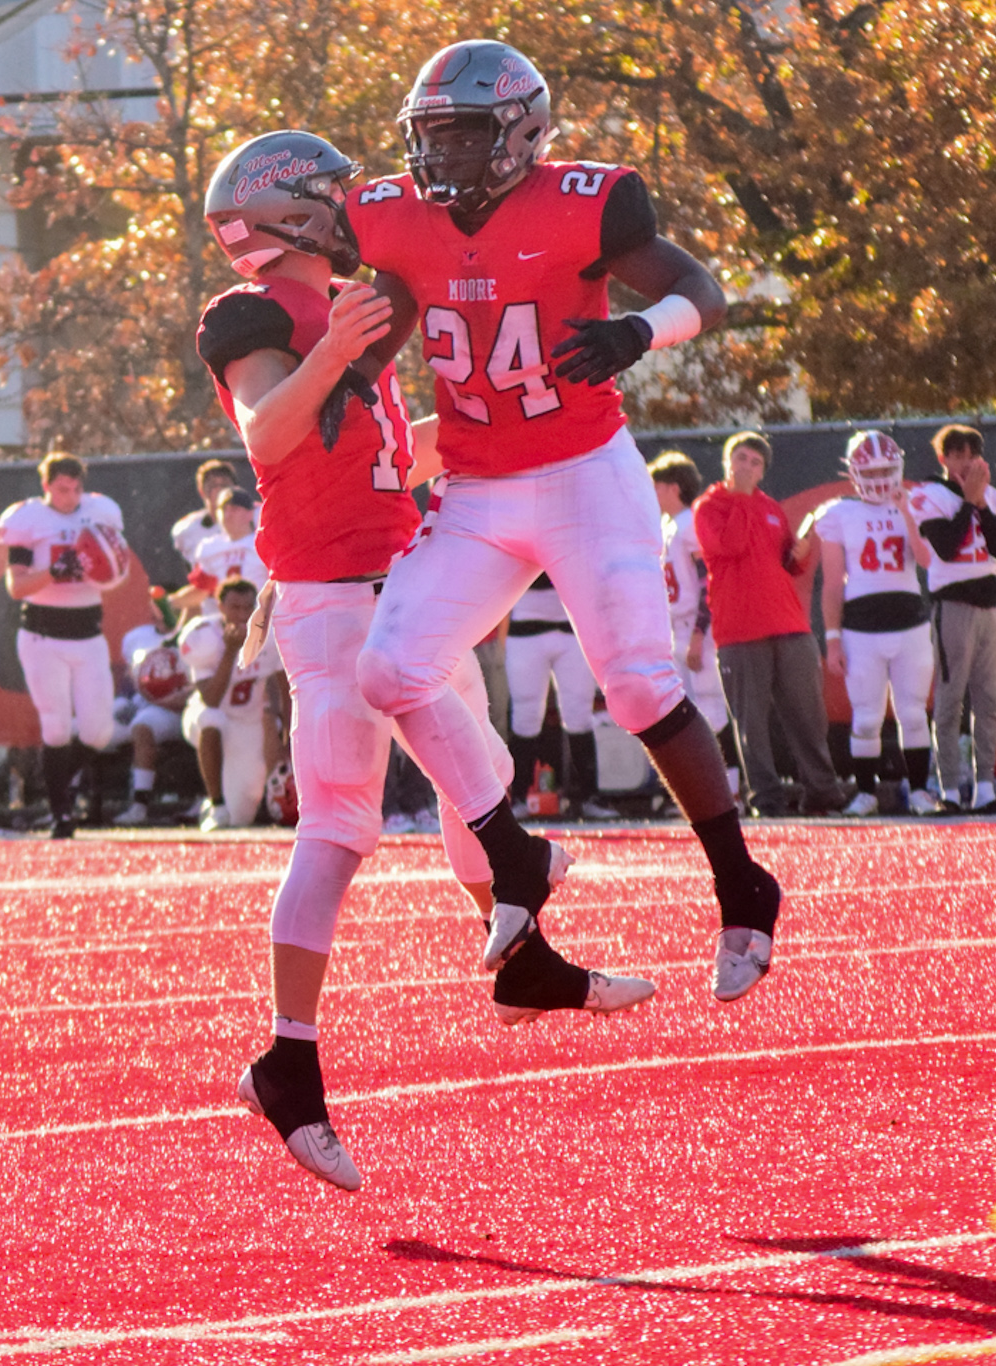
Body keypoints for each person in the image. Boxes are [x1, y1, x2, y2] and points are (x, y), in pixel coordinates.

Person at [198, 130, 643, 1191]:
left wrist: (518, 402)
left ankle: (512, 956)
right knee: (345, 826)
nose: (353, 208)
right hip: (334, 598)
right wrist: (335, 351)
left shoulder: (352, 308)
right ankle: (292, 1058)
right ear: (291, 211)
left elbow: (395, 451)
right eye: (335, 195)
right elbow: (265, 433)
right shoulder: (257, 314)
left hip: (390, 585)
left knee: (458, 775)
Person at [344, 42, 784, 1004]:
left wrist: (637, 331)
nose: (442, 154)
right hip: (476, 486)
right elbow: (387, 308)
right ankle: (515, 854)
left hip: (585, 472)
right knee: (388, 670)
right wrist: (330, 381)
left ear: (523, 132)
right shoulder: (392, 213)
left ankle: (741, 882)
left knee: (636, 686)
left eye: (464, 133)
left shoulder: (585, 201)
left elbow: (702, 291)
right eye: (430, 134)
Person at [695, 432, 845, 818]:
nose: (747, 467)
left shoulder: (771, 508)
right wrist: (742, 498)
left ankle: (823, 793)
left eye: (755, 463)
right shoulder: (708, 507)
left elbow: (787, 564)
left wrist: (800, 553)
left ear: (763, 472)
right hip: (739, 631)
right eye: (741, 459)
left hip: (790, 625)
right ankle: (767, 800)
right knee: (752, 725)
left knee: (809, 717)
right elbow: (729, 546)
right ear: (727, 462)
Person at [0, 453, 133, 838]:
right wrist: (55, 571)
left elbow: (117, 571)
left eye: (76, 489)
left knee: (98, 732)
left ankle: (58, 787)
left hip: (88, 634)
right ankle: (61, 814)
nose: (70, 497)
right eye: (62, 489)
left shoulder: (100, 512)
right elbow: (16, 586)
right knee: (55, 728)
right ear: (46, 486)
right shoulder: (28, 519)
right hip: (43, 636)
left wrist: (102, 568)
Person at [808, 431, 938, 815]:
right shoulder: (839, 514)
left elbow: (927, 561)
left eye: (886, 470)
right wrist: (832, 639)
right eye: (871, 471)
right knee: (866, 718)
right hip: (861, 627)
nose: (880, 478)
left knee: (912, 713)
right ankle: (866, 793)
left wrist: (907, 513)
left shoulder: (914, 504)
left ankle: (919, 791)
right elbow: (833, 584)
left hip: (910, 621)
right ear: (853, 473)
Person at [907, 424, 996, 811]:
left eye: (972, 455)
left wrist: (981, 503)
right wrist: (969, 502)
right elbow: (948, 548)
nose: (966, 462)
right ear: (944, 458)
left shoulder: (992, 495)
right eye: (957, 455)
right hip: (953, 604)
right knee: (950, 700)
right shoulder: (928, 494)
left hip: (990, 605)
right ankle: (949, 789)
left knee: (988, 702)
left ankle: (985, 787)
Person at [649, 452, 739, 801]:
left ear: (673, 488)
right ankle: (705, 792)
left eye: (657, 486)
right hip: (678, 628)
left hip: (698, 628)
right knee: (688, 712)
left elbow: (707, 582)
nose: (653, 493)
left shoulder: (689, 524)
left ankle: (729, 788)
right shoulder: (669, 525)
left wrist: (700, 633)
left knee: (711, 706)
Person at [179, 578, 287, 829]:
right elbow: (212, 699)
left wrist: (287, 742)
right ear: (220, 607)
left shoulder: (269, 636)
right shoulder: (204, 636)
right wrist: (230, 651)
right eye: (235, 607)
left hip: (247, 723)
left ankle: (216, 807)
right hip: (206, 714)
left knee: (240, 816)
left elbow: (285, 691)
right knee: (211, 718)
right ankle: (216, 804)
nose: (242, 615)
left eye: (248, 607)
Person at [503, 573, 613, 819]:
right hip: (525, 629)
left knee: (579, 715)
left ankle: (588, 795)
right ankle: (519, 795)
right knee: (526, 716)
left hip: (571, 629)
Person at [112, 622, 191, 825]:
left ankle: (140, 804)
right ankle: (69, 803)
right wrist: (127, 700)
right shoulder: (136, 637)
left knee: (143, 726)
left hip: (180, 709)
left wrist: (168, 701)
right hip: (143, 705)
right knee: (85, 729)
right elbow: (131, 680)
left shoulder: (197, 633)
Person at [172, 458, 239, 569]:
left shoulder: (256, 517)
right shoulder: (188, 529)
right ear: (201, 491)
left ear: (236, 488)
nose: (218, 491)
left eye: (224, 485)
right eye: (212, 486)